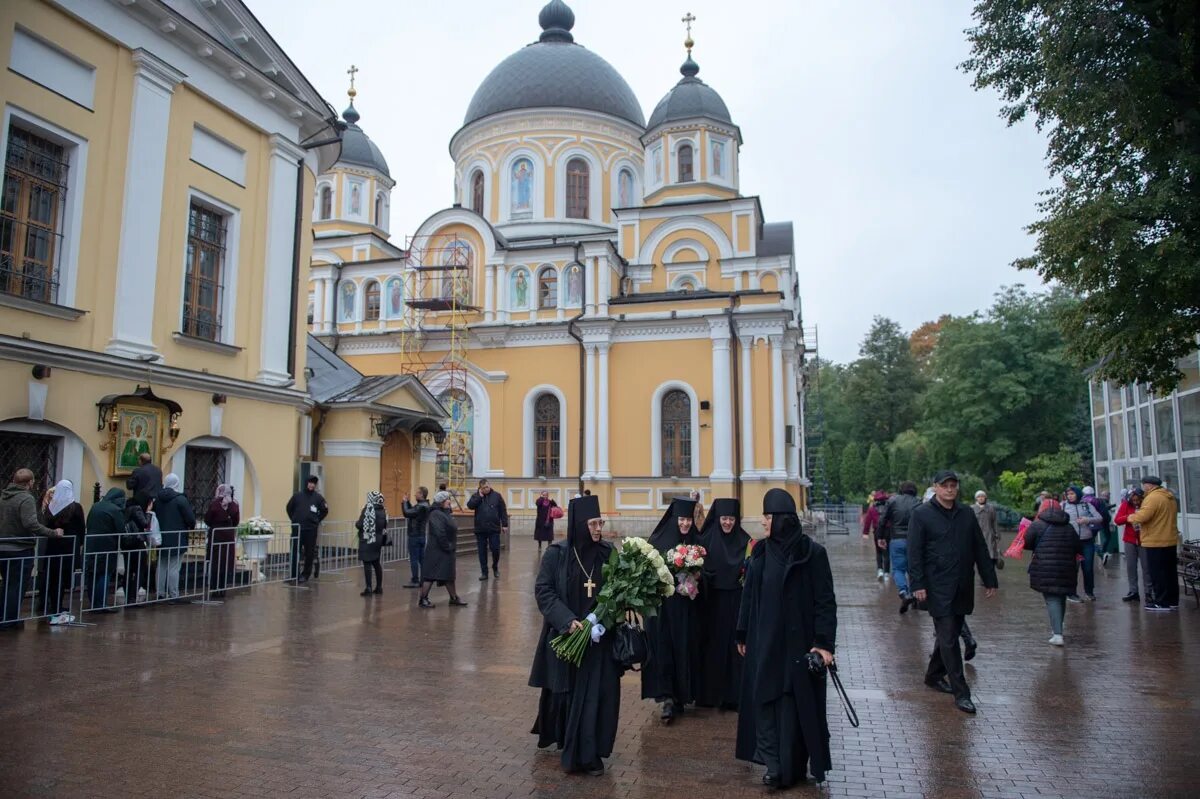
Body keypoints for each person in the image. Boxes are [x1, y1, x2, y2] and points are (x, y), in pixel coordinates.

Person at [735, 488, 837, 788]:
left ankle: (792, 765)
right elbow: (749, 597)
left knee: (793, 706)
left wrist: (824, 644)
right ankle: (773, 766)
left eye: (767, 517)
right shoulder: (760, 553)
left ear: (781, 519)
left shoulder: (812, 554)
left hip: (799, 645)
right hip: (764, 643)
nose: (763, 522)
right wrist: (742, 632)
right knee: (765, 701)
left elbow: (825, 602)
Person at [529, 494, 621, 775]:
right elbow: (544, 590)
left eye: (600, 523)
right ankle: (571, 743)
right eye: (593, 523)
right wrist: (567, 621)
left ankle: (590, 753)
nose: (598, 529)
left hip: (598, 640)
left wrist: (600, 620)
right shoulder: (557, 555)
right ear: (580, 524)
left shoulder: (608, 553)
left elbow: (617, 592)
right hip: (567, 638)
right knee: (567, 695)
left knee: (597, 697)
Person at [908, 470, 998, 714]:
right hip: (937, 586)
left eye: (953, 485)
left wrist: (989, 578)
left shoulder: (966, 513)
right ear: (935, 487)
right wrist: (917, 584)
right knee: (948, 639)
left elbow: (979, 547)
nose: (950, 489)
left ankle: (933, 675)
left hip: (962, 584)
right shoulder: (922, 514)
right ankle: (962, 692)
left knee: (952, 633)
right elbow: (914, 552)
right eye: (945, 485)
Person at [641, 496, 701, 724]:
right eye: (682, 520)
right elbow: (648, 572)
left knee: (684, 649)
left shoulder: (695, 541)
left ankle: (682, 695)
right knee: (665, 650)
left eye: (688, 520)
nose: (685, 524)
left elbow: (705, 571)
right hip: (664, 611)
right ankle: (667, 697)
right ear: (674, 519)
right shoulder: (658, 540)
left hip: (686, 610)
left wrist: (695, 578)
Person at [696, 497, 750, 711]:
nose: (727, 523)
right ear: (717, 519)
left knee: (735, 649)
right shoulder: (705, 540)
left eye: (731, 519)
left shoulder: (746, 542)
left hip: (736, 603)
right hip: (712, 604)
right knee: (713, 647)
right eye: (724, 519)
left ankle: (735, 696)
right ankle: (710, 695)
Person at [0, 469, 64, 628]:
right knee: (17, 585)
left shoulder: (3, 496)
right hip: (20, 548)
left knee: (6, 584)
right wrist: (52, 533)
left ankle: (3, 616)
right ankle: (10, 620)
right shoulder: (26, 498)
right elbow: (30, 523)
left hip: (3, 546)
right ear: (30, 483)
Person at [1023, 499, 1082, 646]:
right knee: (1060, 597)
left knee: (1052, 599)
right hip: (1066, 568)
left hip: (1045, 568)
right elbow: (1077, 546)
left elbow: (1027, 543)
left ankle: (1057, 634)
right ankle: (1058, 628)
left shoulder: (1037, 525)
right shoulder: (1068, 526)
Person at [1129, 476, 1180, 611]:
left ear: (1149, 485)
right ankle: (1172, 601)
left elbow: (1144, 516)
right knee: (1170, 572)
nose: (1144, 488)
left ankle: (1161, 602)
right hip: (1170, 538)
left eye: (1144, 485)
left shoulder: (1153, 498)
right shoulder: (1169, 496)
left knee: (1158, 573)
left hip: (1156, 540)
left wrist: (1131, 517)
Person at [40, 479, 84, 624]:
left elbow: (45, 524)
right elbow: (81, 528)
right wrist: (81, 544)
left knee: (52, 577)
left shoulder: (51, 507)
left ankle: (52, 604)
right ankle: (57, 605)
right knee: (63, 577)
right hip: (69, 548)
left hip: (53, 547)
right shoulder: (76, 507)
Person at [418, 491, 467, 608]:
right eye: (447, 499)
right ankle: (423, 599)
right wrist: (447, 546)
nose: (449, 501)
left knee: (448, 575)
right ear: (441, 502)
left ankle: (454, 598)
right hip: (437, 550)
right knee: (430, 575)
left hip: (445, 550)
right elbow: (440, 532)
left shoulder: (445, 513)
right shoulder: (435, 514)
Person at [879, 482, 921, 613]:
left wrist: (880, 537)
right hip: (914, 540)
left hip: (896, 539)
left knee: (898, 569)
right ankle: (914, 595)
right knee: (913, 568)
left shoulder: (893, 501)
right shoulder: (919, 502)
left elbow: (883, 519)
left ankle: (904, 592)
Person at [153, 473, 195, 602]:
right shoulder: (180, 499)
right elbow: (190, 519)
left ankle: (160, 593)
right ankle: (173, 594)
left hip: (161, 537)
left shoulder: (157, 499)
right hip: (177, 538)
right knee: (174, 567)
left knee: (162, 566)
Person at [84, 487, 125, 613]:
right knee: (104, 574)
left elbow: (88, 523)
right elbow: (121, 530)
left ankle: (93, 603)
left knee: (93, 574)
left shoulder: (96, 506)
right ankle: (101, 604)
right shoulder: (115, 509)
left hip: (91, 544)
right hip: (107, 545)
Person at [286, 475, 328, 584]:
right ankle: (294, 575)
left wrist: (316, 520)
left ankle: (305, 574)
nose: (312, 485)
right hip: (298, 529)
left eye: (314, 483)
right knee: (295, 552)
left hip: (311, 530)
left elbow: (324, 510)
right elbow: (289, 508)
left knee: (309, 553)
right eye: (310, 482)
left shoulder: (318, 498)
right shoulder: (297, 496)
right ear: (306, 483)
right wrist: (294, 520)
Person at [1062, 485, 1101, 602]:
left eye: (1072, 494)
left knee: (1088, 567)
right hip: (1070, 542)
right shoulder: (1063, 505)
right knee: (1072, 568)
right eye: (1068, 494)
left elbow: (1099, 518)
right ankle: (1071, 593)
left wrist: (1087, 520)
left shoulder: (1086, 505)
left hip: (1087, 541)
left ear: (1078, 494)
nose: (1070, 496)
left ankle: (1089, 592)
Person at [467, 478, 508, 580]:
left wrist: (505, 524)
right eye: (484, 488)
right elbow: (470, 506)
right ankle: (484, 572)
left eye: (487, 487)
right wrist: (479, 497)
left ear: (490, 485)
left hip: (494, 528)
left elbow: (503, 510)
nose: (486, 489)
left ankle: (495, 566)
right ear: (480, 488)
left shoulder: (497, 496)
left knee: (495, 549)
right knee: (482, 551)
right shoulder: (476, 496)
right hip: (480, 529)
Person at [204, 484, 240, 599]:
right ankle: (222, 589)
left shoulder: (215, 503)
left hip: (216, 536)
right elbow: (236, 521)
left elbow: (208, 519)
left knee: (215, 563)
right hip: (228, 536)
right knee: (224, 563)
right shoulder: (234, 504)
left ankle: (214, 589)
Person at [1114, 488, 1148, 602]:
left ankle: (1149, 591)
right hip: (1130, 539)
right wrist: (1129, 517)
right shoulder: (1125, 505)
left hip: (1145, 539)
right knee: (1131, 566)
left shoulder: (1147, 504)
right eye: (1133, 500)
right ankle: (1133, 591)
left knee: (1146, 567)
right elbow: (1117, 520)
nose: (1136, 502)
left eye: (1138, 500)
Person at [119, 494, 152, 604]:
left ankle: (128, 594)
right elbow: (145, 524)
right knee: (140, 569)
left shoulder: (124, 510)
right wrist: (148, 512)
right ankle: (133, 595)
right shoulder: (137, 508)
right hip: (137, 543)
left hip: (126, 544)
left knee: (129, 570)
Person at [356, 491, 387, 596]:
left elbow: (360, 524)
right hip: (378, 539)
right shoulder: (383, 510)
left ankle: (368, 588)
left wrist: (357, 523)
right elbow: (384, 525)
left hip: (367, 538)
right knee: (376, 563)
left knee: (367, 563)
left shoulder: (368, 509)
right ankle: (379, 587)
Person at [401, 488, 431, 588]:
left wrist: (404, 502)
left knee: (414, 559)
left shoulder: (421, 506)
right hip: (421, 535)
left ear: (421, 494)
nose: (414, 495)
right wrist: (408, 502)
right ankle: (423, 579)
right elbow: (411, 512)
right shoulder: (424, 505)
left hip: (415, 536)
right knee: (421, 559)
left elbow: (407, 513)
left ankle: (415, 580)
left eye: (417, 493)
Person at [1082, 486, 1113, 565]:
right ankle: (1102, 553)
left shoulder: (1082, 501)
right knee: (1091, 541)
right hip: (1098, 523)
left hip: (1087, 524)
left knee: (1090, 542)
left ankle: (1101, 554)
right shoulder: (1098, 500)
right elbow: (1104, 513)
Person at [972, 490, 1002, 570]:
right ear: (976, 498)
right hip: (977, 536)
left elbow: (994, 522)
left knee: (991, 556)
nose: (981, 498)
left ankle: (990, 575)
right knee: (979, 557)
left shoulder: (991, 508)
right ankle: (982, 578)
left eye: (982, 496)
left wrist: (997, 534)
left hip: (989, 536)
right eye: (979, 497)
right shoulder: (972, 509)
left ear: (985, 497)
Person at [863, 491, 889, 580]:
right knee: (886, 553)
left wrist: (865, 533)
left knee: (879, 552)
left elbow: (867, 521)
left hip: (877, 531)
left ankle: (880, 570)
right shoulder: (888, 508)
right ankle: (887, 573)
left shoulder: (872, 509)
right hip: (887, 531)